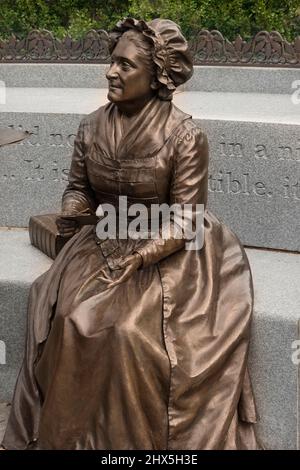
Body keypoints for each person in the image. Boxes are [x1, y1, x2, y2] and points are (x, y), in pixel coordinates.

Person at [1, 18, 262, 450]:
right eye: (112, 62)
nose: (111, 72)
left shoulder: (185, 135)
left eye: (125, 65)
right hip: (104, 235)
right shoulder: (91, 126)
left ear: (157, 76)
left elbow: (187, 218)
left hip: (172, 249)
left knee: (127, 333)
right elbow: (78, 188)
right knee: (69, 319)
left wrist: (139, 256)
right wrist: (73, 211)